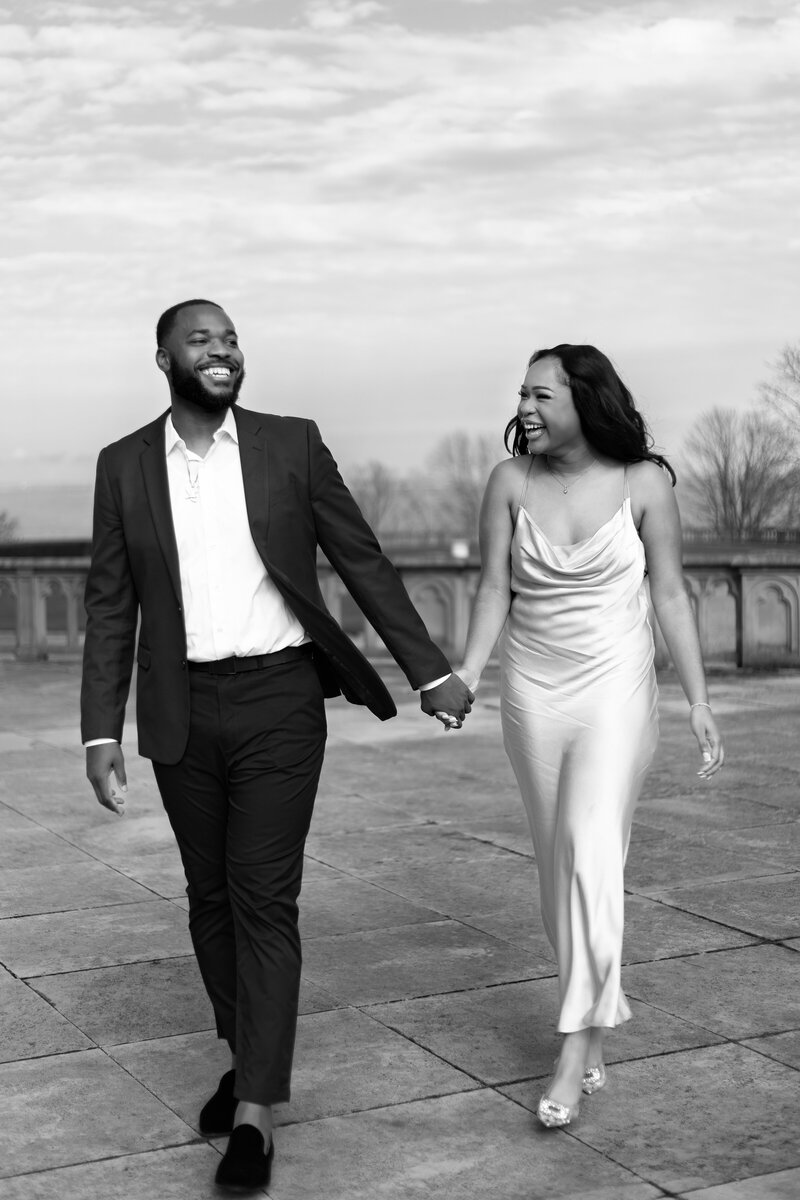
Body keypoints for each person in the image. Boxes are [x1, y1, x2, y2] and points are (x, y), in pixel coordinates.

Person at [80, 298, 473, 1191]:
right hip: (179, 707)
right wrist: (101, 729)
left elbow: (361, 559)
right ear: (164, 360)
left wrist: (428, 670)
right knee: (209, 899)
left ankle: (254, 1113)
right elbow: (110, 605)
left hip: (280, 701)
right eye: (201, 341)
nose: (221, 351)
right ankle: (245, 1052)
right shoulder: (122, 466)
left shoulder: (292, 444)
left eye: (230, 339)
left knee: (263, 897)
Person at [454, 344, 724, 1129]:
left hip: (616, 686)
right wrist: (469, 674)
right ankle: (596, 1013)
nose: (526, 408)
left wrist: (699, 699)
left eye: (542, 394)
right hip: (533, 693)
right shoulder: (509, 482)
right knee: (556, 867)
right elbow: (491, 589)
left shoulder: (645, 484)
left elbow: (670, 595)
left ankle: (574, 1045)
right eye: (522, 395)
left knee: (591, 843)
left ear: (585, 400)